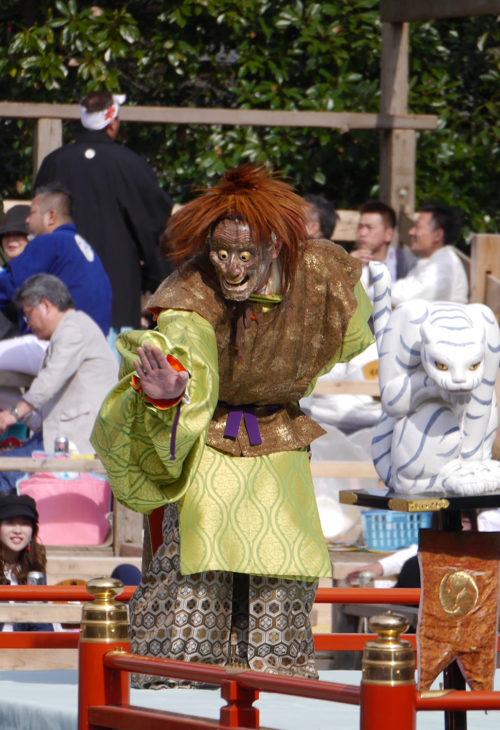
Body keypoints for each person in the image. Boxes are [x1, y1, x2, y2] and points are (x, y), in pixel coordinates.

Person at [91, 163, 373, 686]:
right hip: (211, 440)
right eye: (223, 254)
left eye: (246, 256)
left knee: (282, 567)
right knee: (197, 567)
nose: (233, 269)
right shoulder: (193, 286)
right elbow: (183, 342)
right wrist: (175, 389)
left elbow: (358, 330)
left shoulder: (318, 276)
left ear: (271, 248)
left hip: (282, 439)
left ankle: (277, 680)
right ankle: (179, 680)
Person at [34, 91, 173, 336]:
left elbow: (37, 222)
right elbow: (155, 224)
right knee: (110, 371)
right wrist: (156, 276)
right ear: (113, 121)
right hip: (117, 299)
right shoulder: (131, 165)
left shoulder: (54, 163)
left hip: (59, 298)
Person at [0, 274, 118, 494]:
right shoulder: (73, 328)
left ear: (46, 305)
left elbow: (50, 379)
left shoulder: (74, 327)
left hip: (75, 442)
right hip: (61, 437)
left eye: (28, 315)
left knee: (4, 474)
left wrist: (11, 415)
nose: (28, 324)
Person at [0, 184, 112, 379]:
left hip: (57, 346)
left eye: (32, 212)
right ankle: (17, 410)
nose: (27, 220)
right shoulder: (82, 246)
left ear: (51, 216)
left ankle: (16, 410)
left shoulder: (50, 241)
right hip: (94, 350)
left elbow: (9, 285)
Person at [390, 200, 468, 305]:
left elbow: (406, 297)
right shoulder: (432, 261)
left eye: (417, 226)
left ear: (437, 235)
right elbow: (402, 288)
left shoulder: (443, 267)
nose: (411, 232)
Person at [0, 493, 53, 632]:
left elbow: (41, 623)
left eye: (24, 523)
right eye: (10, 522)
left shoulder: (34, 568)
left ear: (33, 531)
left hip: (22, 648)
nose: (17, 530)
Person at [350, 200, 416, 303]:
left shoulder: (406, 262)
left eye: (369, 228)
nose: (362, 233)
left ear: (388, 234)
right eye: (360, 227)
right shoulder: (349, 260)